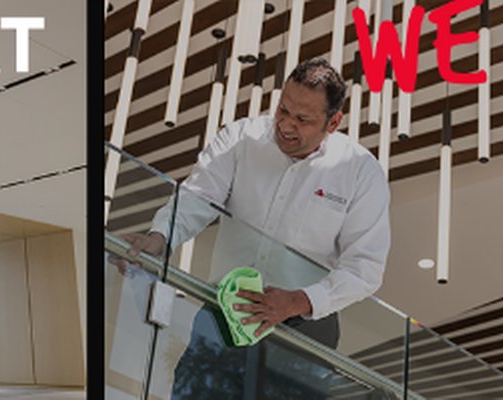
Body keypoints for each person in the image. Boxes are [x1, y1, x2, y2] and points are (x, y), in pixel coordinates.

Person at [110, 57, 391, 399]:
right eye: (283, 110)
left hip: (305, 331)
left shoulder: (361, 172)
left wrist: (297, 301)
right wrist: (160, 237)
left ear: (333, 122)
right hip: (223, 315)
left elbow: (365, 268)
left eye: (302, 119)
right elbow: (198, 198)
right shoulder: (242, 137)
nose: (286, 125)